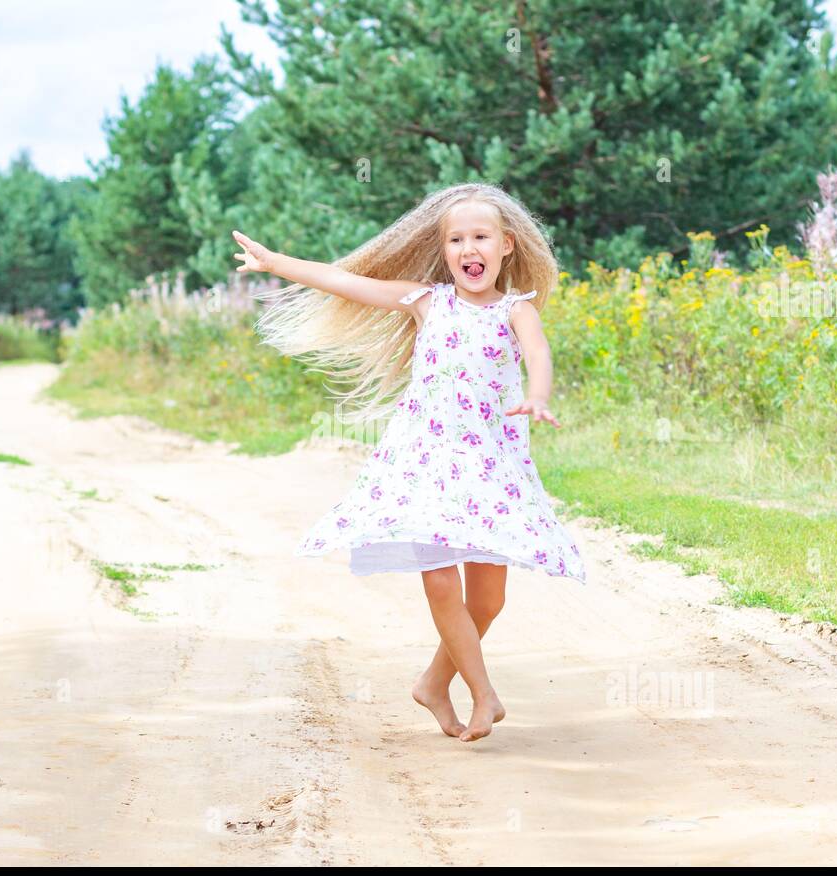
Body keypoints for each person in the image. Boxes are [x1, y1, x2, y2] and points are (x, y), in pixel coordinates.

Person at [232, 182, 585, 742]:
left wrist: (537, 396)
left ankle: (432, 683)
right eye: (455, 240)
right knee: (442, 584)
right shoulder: (427, 301)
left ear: (507, 246)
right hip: (424, 461)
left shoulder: (517, 311)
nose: (469, 249)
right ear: (444, 252)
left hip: (489, 466)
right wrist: (276, 263)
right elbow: (345, 281)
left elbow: (538, 354)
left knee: (488, 599)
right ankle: (483, 694)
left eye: (481, 237)